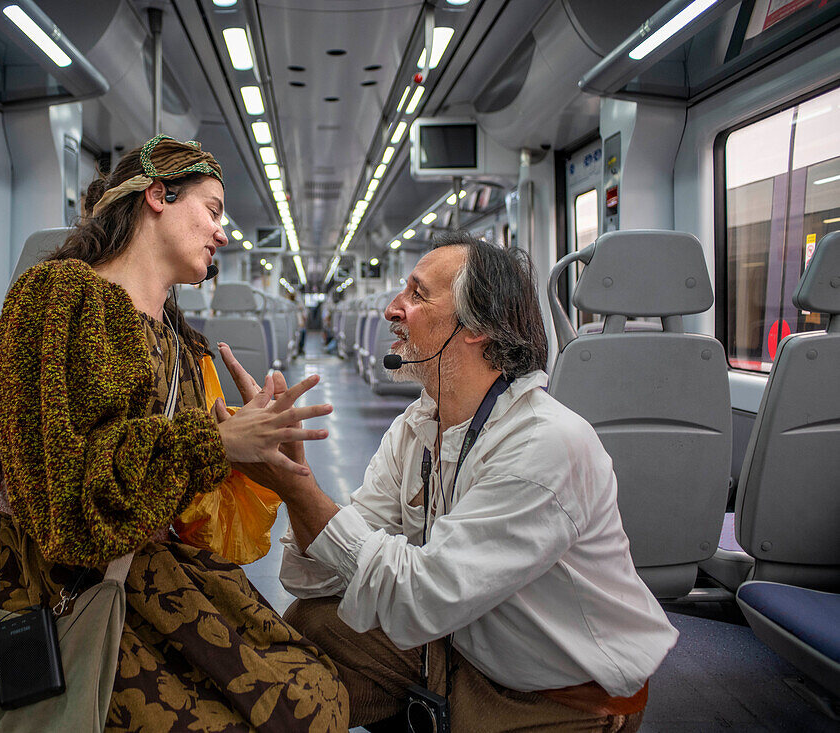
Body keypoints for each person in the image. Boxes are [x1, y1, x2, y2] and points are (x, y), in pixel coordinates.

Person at [0, 135, 348, 731]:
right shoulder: (56, 301)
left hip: (139, 564)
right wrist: (213, 446)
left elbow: (193, 513)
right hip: (47, 582)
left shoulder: (184, 346)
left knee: (317, 693)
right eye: (212, 210)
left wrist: (257, 462)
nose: (223, 233)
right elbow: (64, 515)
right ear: (158, 195)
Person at [234, 232, 678, 732]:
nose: (392, 310)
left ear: (476, 328)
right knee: (313, 625)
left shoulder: (545, 444)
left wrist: (295, 486)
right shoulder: (418, 426)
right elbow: (316, 577)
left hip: (559, 698)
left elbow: (419, 597)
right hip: (466, 649)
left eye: (417, 294)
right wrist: (295, 474)